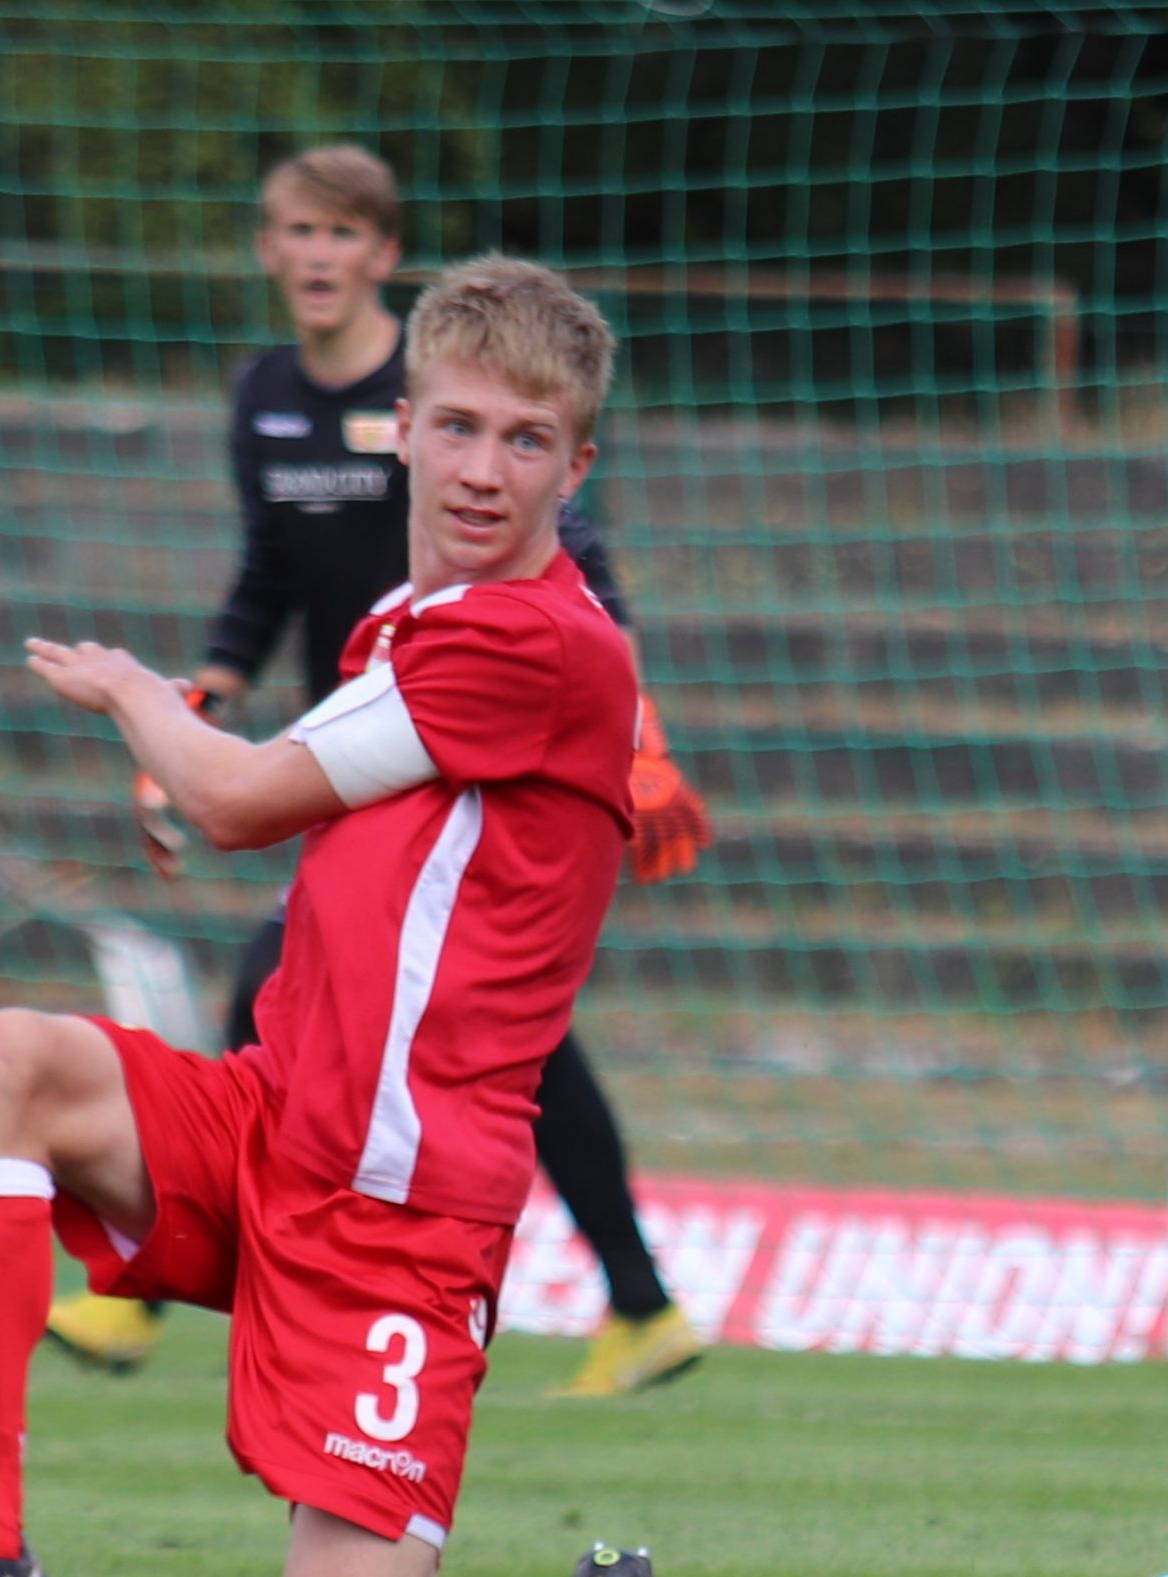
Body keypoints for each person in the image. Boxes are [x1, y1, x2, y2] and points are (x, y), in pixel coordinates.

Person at [0, 256, 695, 1577]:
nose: (482, 469)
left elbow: (238, 803)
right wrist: (202, 752)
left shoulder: (536, 638)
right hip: (269, 1123)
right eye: (455, 425)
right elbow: (293, 803)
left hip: (403, 1212)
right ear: (403, 427)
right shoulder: (412, 621)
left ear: (577, 465)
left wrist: (144, 700)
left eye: (527, 441)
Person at [42, 145, 709, 1401]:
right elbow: (268, 576)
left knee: (345, 999)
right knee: (461, 1032)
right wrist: (206, 699)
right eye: (295, 229)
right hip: (360, 731)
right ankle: (639, 1301)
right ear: (266, 247)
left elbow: (580, 581)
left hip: (470, 744)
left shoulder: (478, 383)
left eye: (342, 233)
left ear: (382, 255)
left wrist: (643, 744)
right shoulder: (266, 399)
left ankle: (181, 1271)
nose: (316, 255)